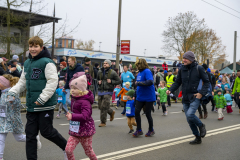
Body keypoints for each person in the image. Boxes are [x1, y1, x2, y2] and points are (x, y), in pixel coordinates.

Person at [8, 36, 68, 160]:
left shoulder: (47, 62)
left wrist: (42, 98)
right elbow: (22, 82)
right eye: (31, 46)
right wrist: (13, 91)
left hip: (44, 104)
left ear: (41, 47)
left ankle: (67, 148)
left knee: (46, 132)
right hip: (31, 105)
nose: (33, 49)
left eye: (35, 46)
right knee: (30, 136)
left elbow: (52, 82)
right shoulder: (27, 62)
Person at [167, 51, 208, 145]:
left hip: (195, 97)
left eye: (186, 58)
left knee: (190, 115)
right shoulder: (181, 69)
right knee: (189, 119)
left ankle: (201, 125)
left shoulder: (199, 68)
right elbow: (177, 82)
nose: (184, 60)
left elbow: (207, 82)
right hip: (185, 98)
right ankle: (197, 137)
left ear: (191, 59)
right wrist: (170, 90)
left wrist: (201, 93)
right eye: (183, 58)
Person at [0, 74, 41, 160]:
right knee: (8, 138)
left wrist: (12, 100)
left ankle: (34, 137)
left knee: (16, 138)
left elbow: (15, 104)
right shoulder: (3, 93)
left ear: (4, 84)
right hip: (4, 120)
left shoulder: (11, 93)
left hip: (13, 120)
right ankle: (0, 156)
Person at [65, 75, 97, 160]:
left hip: (85, 131)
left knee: (88, 151)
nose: (72, 90)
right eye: (72, 88)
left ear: (81, 89)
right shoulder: (74, 99)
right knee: (68, 150)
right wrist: (70, 114)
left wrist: (72, 116)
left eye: (75, 88)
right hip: (75, 130)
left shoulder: (85, 102)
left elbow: (85, 116)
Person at [133, 59, 156, 137]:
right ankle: (139, 130)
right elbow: (137, 85)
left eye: (138, 65)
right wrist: (135, 94)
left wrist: (139, 83)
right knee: (136, 112)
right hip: (140, 96)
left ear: (141, 64)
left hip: (148, 96)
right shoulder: (139, 73)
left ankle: (151, 130)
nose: (137, 66)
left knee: (147, 114)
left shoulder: (147, 71)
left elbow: (150, 82)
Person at [97, 59, 121, 127]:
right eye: (104, 63)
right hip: (100, 90)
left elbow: (119, 81)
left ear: (110, 65)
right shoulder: (99, 71)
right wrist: (98, 82)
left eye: (106, 63)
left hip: (108, 91)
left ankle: (103, 122)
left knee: (104, 107)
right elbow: (96, 79)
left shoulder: (112, 72)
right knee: (100, 106)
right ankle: (111, 112)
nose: (104, 64)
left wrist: (111, 81)